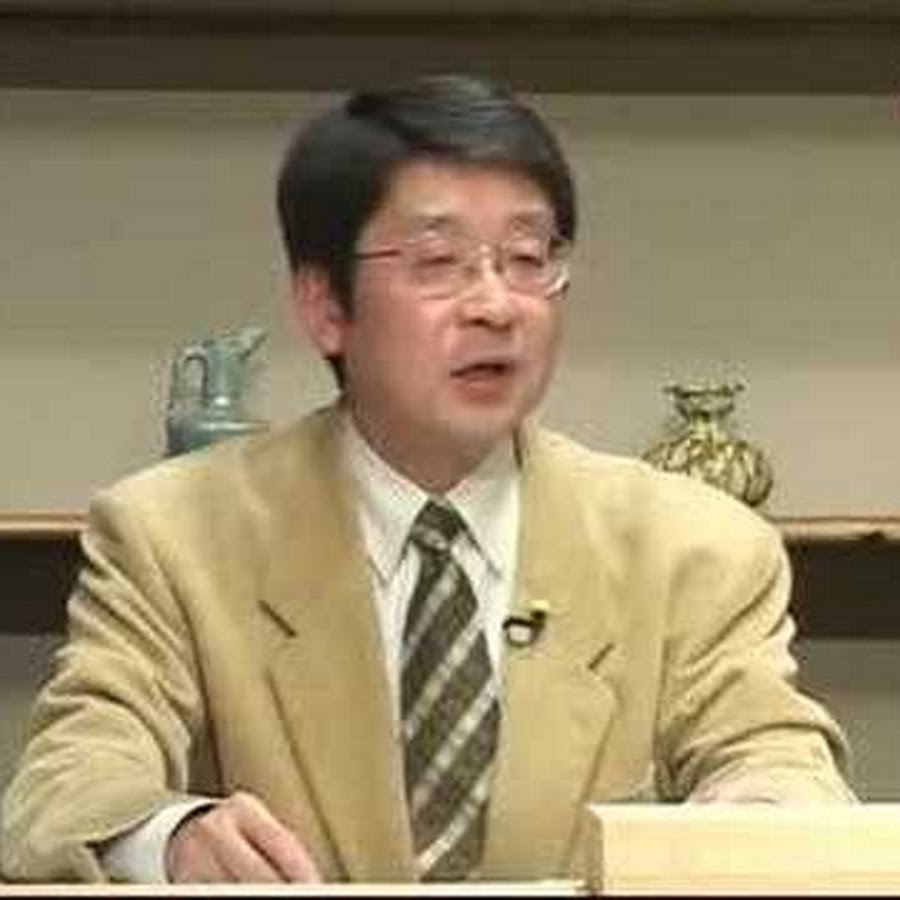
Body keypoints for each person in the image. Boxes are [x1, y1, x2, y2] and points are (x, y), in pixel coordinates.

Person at [1, 74, 854, 885]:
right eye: (438, 262)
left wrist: (752, 820)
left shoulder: (696, 547)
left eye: (528, 258)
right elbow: (66, 786)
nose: (496, 305)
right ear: (324, 306)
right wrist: (176, 837)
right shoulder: (172, 536)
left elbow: (777, 757)